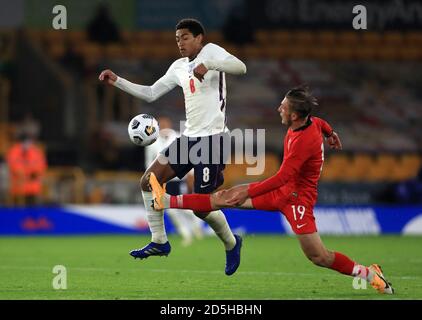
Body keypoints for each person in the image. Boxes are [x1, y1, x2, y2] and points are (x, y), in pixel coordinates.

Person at [149, 86, 394, 294]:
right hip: (283, 189)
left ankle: (369, 273)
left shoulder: (304, 141)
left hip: (298, 198)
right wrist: (332, 134)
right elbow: (320, 122)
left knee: (318, 257)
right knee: (224, 197)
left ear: (296, 115)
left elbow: (283, 177)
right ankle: (166, 200)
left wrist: (249, 190)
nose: (279, 109)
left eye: (284, 107)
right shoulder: (309, 122)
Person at [99, 18, 247, 275]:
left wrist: (208, 64)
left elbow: (241, 67)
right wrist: (117, 81)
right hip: (189, 139)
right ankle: (159, 241)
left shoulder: (211, 51)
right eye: (177, 38)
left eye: (185, 37)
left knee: (202, 208)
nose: (180, 42)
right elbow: (150, 93)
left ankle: (232, 243)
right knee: (148, 181)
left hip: (213, 139)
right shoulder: (178, 67)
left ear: (199, 38)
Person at [144, 116, 203, 246]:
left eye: (166, 123)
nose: (164, 126)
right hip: (162, 182)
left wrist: (191, 176)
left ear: (169, 123)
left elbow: (189, 158)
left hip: (178, 179)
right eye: (161, 124)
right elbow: (149, 163)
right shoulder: (152, 142)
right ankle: (186, 234)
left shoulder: (179, 138)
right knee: (171, 211)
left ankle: (197, 224)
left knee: (182, 207)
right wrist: (151, 180)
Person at [6, 132, 47, 206]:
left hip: (34, 185)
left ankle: (34, 216)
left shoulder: (35, 151)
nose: (28, 144)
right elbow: (14, 166)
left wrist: (34, 173)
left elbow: (41, 165)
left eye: (29, 141)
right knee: (18, 207)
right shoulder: (14, 151)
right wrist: (26, 174)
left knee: (35, 204)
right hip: (19, 185)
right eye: (25, 141)